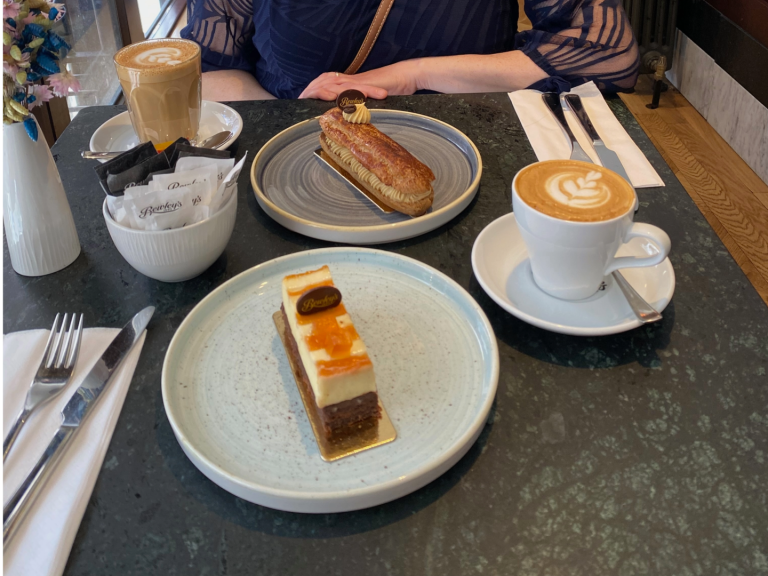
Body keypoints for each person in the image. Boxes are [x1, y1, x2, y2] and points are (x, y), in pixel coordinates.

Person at [181, 0, 639, 102]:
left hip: (475, 165)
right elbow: (209, 72)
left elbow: (609, 53)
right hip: (295, 171)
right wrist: (288, 128)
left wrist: (415, 74)